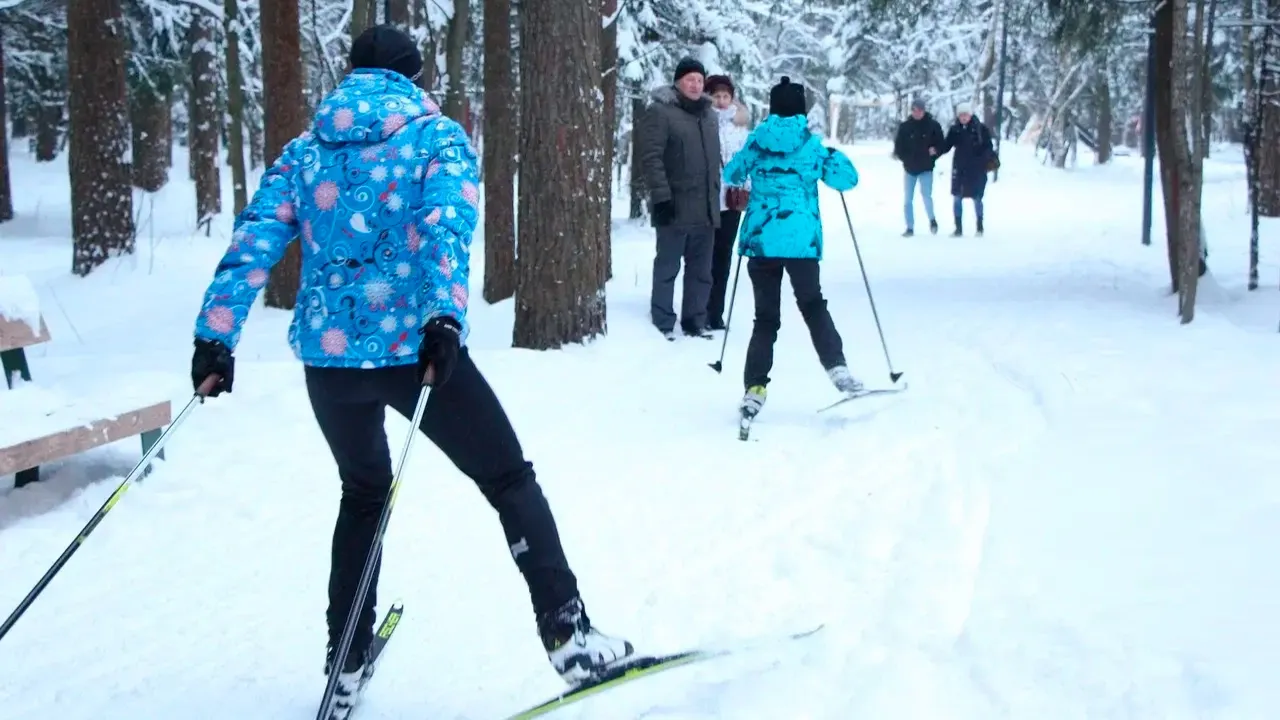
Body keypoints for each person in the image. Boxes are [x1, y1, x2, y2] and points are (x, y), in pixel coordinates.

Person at [187, 25, 632, 719]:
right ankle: (568, 634)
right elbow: (446, 231)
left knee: (363, 494)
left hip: (331, 362)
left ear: (354, 72)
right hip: (412, 354)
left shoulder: (304, 152)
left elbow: (253, 243)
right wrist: (442, 320)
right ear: (413, 75)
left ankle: (345, 661)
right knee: (508, 478)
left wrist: (215, 338)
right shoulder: (434, 136)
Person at [721, 77, 864, 419]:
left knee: (765, 320)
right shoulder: (811, 144)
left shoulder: (757, 141)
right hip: (802, 242)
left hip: (762, 242)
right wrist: (832, 155)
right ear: (801, 109)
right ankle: (838, 369)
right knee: (813, 305)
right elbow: (846, 179)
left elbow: (732, 173)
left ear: (771, 108)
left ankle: (754, 388)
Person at [637, 57, 722, 341]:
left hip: (706, 209)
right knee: (668, 267)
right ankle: (662, 322)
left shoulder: (710, 116)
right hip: (674, 206)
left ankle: (694, 322)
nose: (696, 85)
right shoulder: (661, 112)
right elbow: (651, 158)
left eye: (699, 80)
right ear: (678, 82)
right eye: (690, 80)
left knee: (701, 271)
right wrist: (661, 199)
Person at [704, 74, 750, 331]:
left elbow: (748, 163)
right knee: (704, 258)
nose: (721, 101)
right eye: (716, 96)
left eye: (725, 96)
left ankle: (716, 313)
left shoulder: (741, 127)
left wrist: (746, 188)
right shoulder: (703, 122)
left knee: (723, 258)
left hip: (731, 202)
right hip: (707, 199)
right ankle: (700, 308)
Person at [937, 102, 994, 236]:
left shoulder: (980, 129)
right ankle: (958, 228)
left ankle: (979, 227)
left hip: (977, 170)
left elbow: (988, 147)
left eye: (966, 114)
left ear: (970, 114)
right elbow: (946, 146)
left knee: (977, 198)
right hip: (960, 169)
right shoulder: (955, 129)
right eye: (961, 115)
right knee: (957, 198)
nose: (963, 117)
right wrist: (935, 150)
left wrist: (983, 159)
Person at [892, 98, 944, 237]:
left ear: (924, 111)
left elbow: (941, 144)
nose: (917, 113)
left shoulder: (933, 125)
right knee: (908, 199)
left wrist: (935, 152)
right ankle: (909, 227)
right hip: (910, 168)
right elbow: (898, 146)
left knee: (926, 195)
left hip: (926, 168)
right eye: (914, 110)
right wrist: (905, 157)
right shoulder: (905, 127)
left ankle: (932, 220)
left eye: (920, 110)